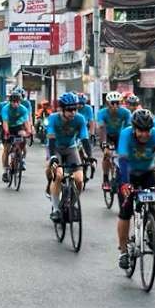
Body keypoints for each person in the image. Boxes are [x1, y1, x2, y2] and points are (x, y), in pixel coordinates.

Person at [115, 109, 155, 270]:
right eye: (141, 130)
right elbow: (124, 160)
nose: (144, 134)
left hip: (147, 173)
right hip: (127, 174)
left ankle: (149, 226)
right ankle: (124, 251)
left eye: (147, 130)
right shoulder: (126, 135)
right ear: (134, 128)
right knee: (125, 211)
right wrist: (126, 184)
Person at [46, 92, 93, 222]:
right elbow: (51, 139)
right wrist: (53, 158)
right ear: (62, 109)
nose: (73, 112)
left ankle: (70, 205)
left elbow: (84, 138)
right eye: (70, 109)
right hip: (55, 147)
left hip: (71, 148)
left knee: (79, 180)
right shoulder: (53, 118)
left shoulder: (79, 119)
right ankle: (56, 209)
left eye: (75, 109)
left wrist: (90, 157)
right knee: (59, 175)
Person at [97, 91, 132, 191]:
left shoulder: (125, 112)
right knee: (107, 154)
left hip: (120, 136)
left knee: (123, 155)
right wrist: (104, 143)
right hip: (106, 135)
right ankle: (105, 179)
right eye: (113, 103)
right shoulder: (102, 113)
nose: (115, 105)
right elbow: (101, 127)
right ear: (108, 104)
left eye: (118, 103)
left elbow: (128, 127)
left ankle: (120, 174)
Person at [0, 92, 32, 184]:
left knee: (22, 139)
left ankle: (19, 156)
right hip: (8, 127)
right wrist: (6, 132)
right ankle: (5, 171)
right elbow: (5, 122)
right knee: (6, 149)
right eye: (13, 102)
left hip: (18, 127)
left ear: (20, 102)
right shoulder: (5, 109)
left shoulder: (23, 109)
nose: (15, 104)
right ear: (10, 102)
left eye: (17, 102)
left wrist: (28, 131)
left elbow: (26, 122)